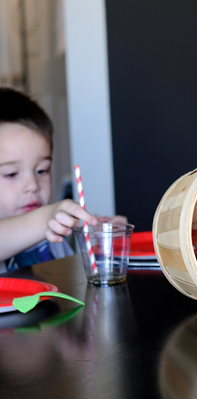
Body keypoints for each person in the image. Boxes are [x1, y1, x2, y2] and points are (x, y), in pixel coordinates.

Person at [0, 87, 125, 272]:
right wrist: (45, 219)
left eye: (42, 170)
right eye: (11, 174)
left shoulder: (54, 240)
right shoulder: (45, 223)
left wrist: (99, 247)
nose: (33, 186)